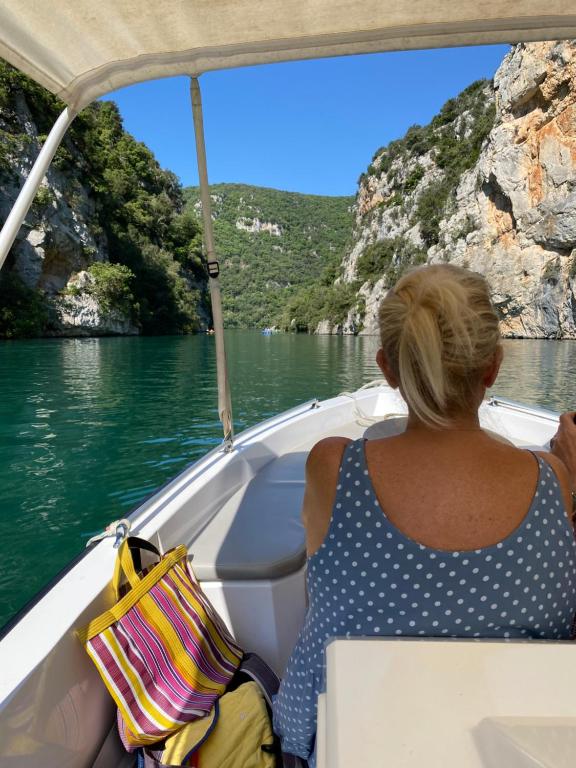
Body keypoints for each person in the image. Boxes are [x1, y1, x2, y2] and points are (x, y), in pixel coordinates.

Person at [272, 264, 576, 767]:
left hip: (337, 735)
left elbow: (319, 581)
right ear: (493, 367)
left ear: (386, 369)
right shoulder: (554, 479)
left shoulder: (332, 467)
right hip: (518, 741)